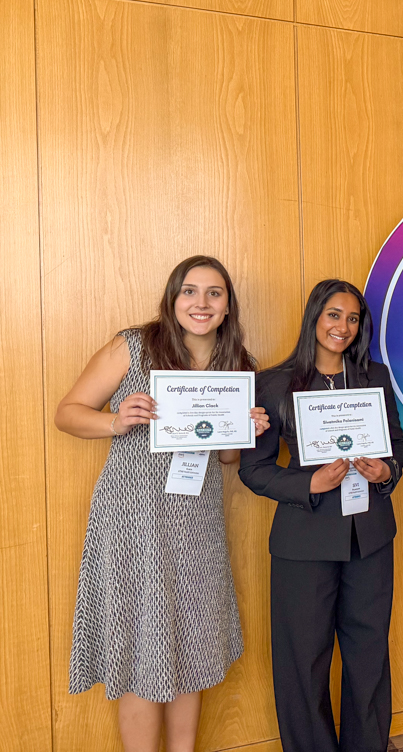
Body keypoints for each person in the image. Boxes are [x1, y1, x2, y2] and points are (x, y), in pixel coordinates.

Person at [55, 255, 269, 752]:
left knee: (189, 640)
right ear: (173, 297)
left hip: (195, 519)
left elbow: (229, 458)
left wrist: (245, 429)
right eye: (190, 291)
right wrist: (115, 420)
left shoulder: (237, 365)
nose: (201, 303)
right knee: (139, 644)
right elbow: (67, 413)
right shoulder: (134, 346)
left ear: (227, 306)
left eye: (214, 293)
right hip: (132, 517)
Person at [239, 279, 403, 752]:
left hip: (370, 538)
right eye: (334, 315)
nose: (343, 327)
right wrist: (308, 483)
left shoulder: (375, 376)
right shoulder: (273, 384)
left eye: (353, 318)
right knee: (303, 662)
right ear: (314, 316)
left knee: (368, 656)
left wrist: (385, 471)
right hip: (304, 542)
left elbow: (398, 450)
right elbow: (254, 471)